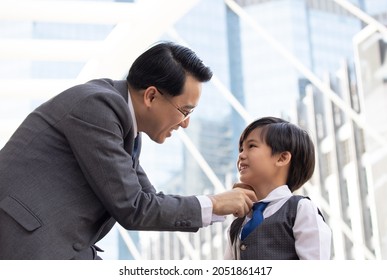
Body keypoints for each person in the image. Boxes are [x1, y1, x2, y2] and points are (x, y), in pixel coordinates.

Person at [0, 41, 256, 260]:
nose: (186, 123)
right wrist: (214, 203)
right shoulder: (97, 108)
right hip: (27, 247)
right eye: (185, 111)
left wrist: (217, 205)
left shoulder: (125, 131)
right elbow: (134, 207)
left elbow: (149, 201)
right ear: (151, 96)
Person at [224, 116, 332, 260]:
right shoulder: (237, 225)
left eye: (251, 146)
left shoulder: (300, 209)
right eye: (241, 149)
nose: (241, 155)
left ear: (281, 158)